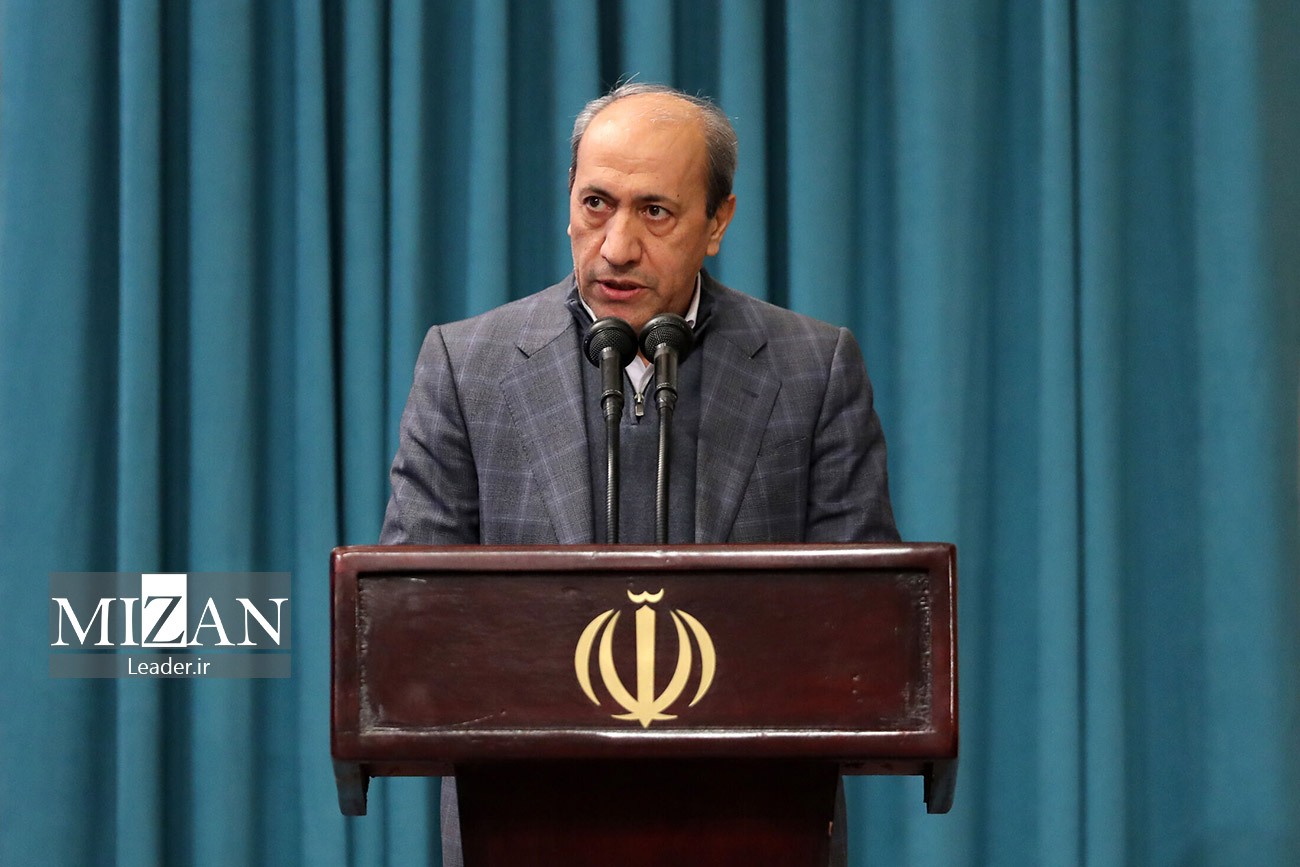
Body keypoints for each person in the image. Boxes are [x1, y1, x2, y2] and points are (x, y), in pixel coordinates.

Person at [380, 81, 897, 867]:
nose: (617, 246)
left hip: (754, 827)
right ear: (568, 200)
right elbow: (414, 623)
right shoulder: (466, 366)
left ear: (717, 221)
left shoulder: (813, 369)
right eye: (596, 204)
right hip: (525, 830)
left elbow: (863, 630)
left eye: (655, 211)